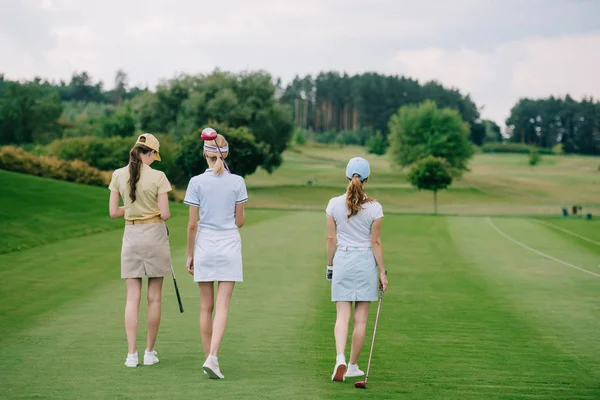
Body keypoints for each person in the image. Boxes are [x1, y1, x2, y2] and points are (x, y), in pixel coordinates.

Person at [184, 130, 248, 379]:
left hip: (205, 247)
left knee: (205, 308)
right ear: (226, 154)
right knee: (222, 306)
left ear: (205, 155)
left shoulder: (196, 182)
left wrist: (189, 254)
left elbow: (192, 225)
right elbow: (240, 221)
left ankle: (209, 357)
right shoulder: (238, 181)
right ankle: (213, 357)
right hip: (229, 246)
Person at [108, 133, 173, 368]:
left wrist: (133, 207)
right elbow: (165, 214)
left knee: (132, 298)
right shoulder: (159, 176)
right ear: (151, 153)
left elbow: (114, 212)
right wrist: (150, 209)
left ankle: (131, 355)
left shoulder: (117, 174)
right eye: (155, 155)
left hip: (131, 236)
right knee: (154, 298)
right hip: (154, 234)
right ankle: (149, 352)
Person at [325, 156, 388, 381]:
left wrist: (330, 265)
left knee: (342, 316)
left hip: (342, 260)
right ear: (367, 179)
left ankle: (340, 357)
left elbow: (331, 238)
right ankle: (352, 366)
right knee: (360, 320)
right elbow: (376, 242)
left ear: (347, 176)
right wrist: (382, 272)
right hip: (365, 264)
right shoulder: (375, 208)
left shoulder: (333, 204)